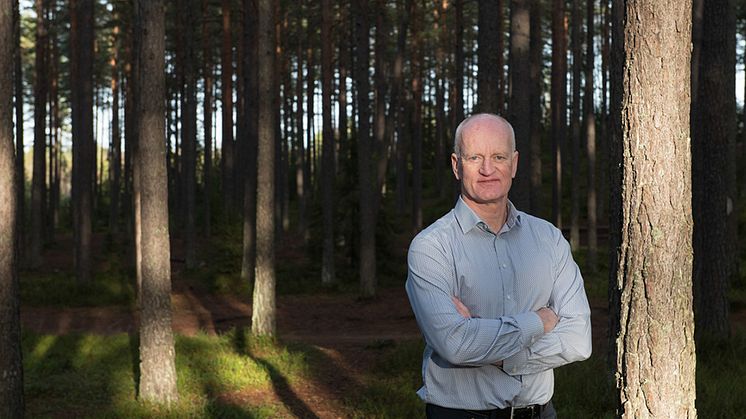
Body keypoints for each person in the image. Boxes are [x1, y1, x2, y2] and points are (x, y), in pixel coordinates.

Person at [405, 113, 592, 419]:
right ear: (456, 165)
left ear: (514, 164)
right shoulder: (431, 247)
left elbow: (579, 340)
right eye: (475, 157)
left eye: (499, 157)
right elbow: (455, 345)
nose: (488, 169)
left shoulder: (548, 239)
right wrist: (538, 322)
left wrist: (492, 350)